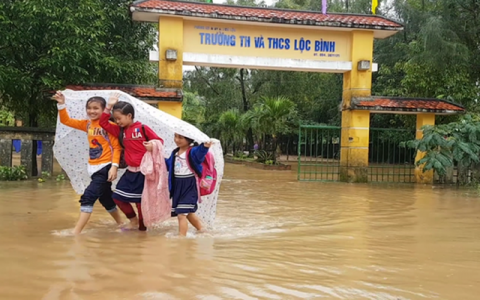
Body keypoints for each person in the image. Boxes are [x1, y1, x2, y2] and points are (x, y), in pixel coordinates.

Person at [52, 91, 123, 234]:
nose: (92, 111)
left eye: (96, 108)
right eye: (89, 108)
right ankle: (122, 224)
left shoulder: (108, 125)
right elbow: (67, 121)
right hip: (93, 167)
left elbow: (117, 147)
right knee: (105, 199)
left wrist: (114, 167)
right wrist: (61, 104)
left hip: (105, 167)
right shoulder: (87, 125)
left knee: (88, 197)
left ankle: (75, 232)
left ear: (103, 110)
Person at [100, 93, 163, 231]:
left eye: (119, 118)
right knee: (117, 197)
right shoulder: (120, 131)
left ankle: (142, 229)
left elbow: (159, 141)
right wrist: (109, 106)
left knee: (141, 202)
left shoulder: (143, 128)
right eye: (115, 119)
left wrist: (152, 146)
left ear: (129, 116)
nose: (117, 121)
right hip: (130, 171)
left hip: (144, 172)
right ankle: (133, 221)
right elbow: (103, 123)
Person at [165, 133, 212, 236]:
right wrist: (154, 155)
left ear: (189, 139)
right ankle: (201, 229)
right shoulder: (175, 153)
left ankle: (182, 238)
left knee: (181, 214)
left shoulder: (193, 151)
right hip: (177, 186)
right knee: (187, 211)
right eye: (175, 136)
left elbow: (200, 154)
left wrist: (205, 147)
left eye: (180, 137)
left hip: (190, 185)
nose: (177, 140)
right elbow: (168, 165)